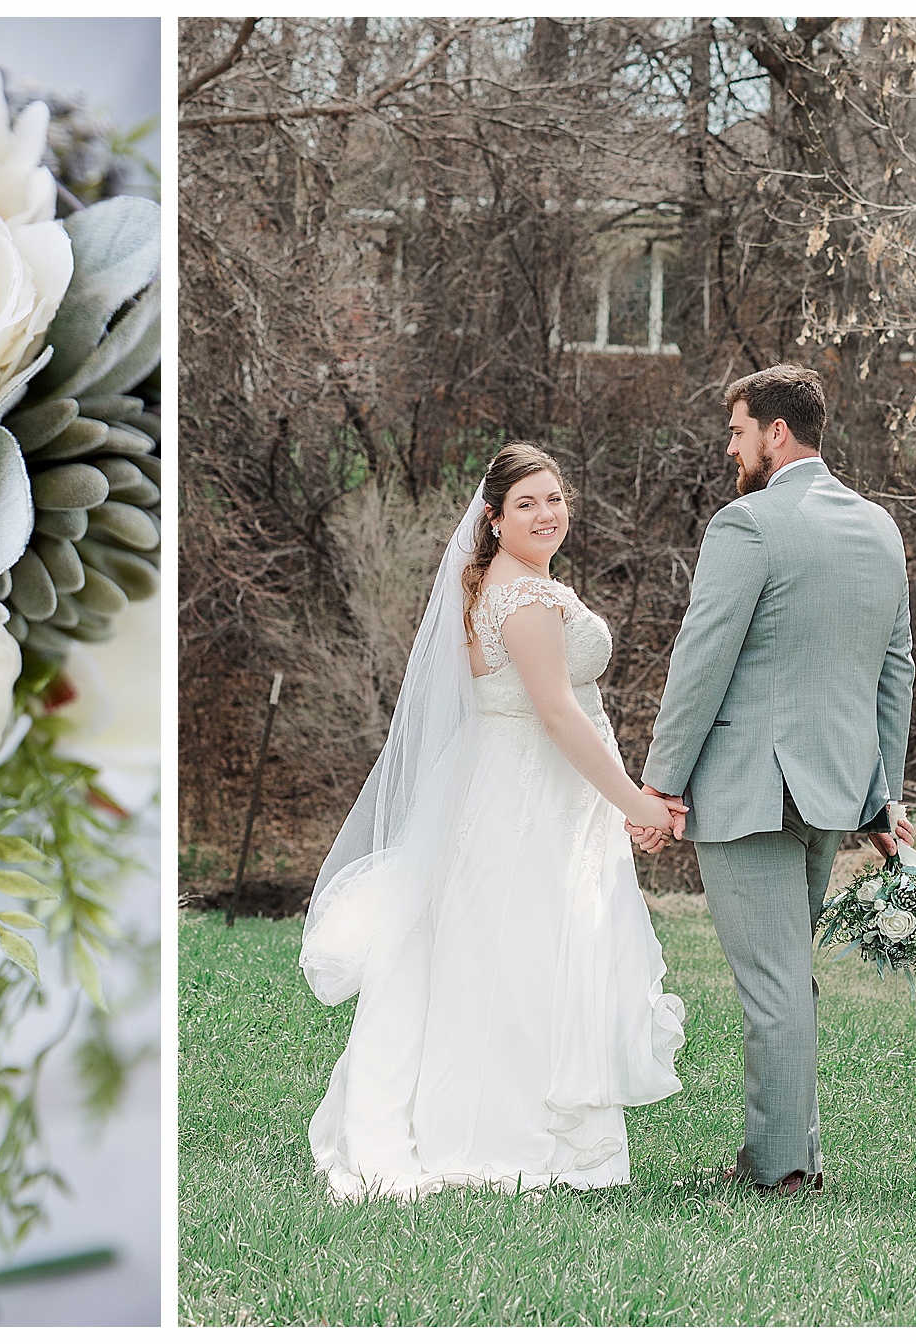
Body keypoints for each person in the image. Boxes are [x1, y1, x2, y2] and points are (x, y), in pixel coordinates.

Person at [301, 441, 685, 1201]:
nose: (547, 514)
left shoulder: (501, 585)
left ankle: (487, 1122)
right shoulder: (526, 598)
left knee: (489, 951)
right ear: (494, 518)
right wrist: (636, 803)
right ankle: (504, 1137)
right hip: (527, 796)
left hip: (508, 789)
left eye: (554, 498)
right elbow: (556, 713)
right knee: (522, 955)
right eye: (526, 503)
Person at [633, 363, 914, 1196]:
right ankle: (788, 1154)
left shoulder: (748, 525)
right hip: (833, 789)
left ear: (775, 434)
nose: (732, 449)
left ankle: (784, 1170)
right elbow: (894, 671)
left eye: (737, 431)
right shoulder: (879, 529)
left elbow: (701, 662)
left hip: (751, 791)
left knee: (775, 983)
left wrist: (660, 785)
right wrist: (883, 795)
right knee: (789, 976)